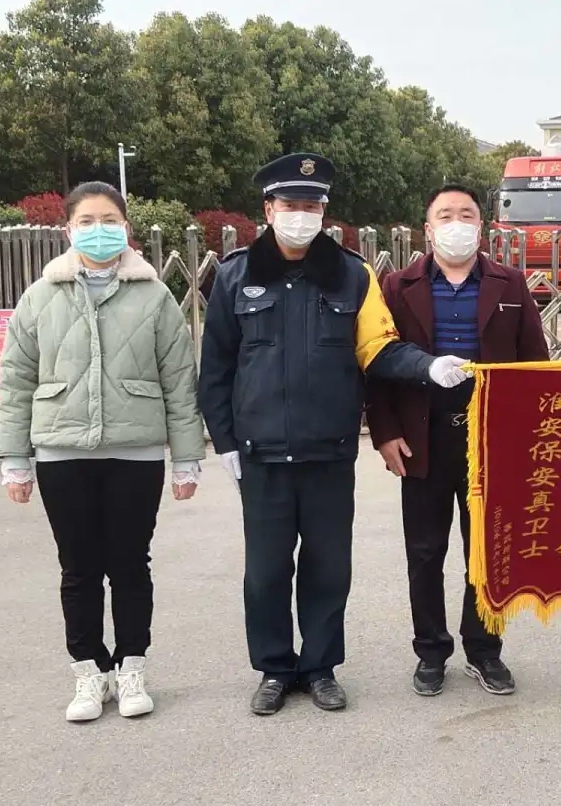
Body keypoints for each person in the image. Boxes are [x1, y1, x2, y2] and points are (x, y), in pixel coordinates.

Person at [198, 153, 470, 716]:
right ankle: (275, 669)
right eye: (290, 205)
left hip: (329, 450)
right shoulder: (235, 275)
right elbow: (217, 367)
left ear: (324, 212)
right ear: (268, 209)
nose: (301, 215)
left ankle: (321, 667)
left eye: (312, 206)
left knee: (328, 567)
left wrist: (427, 366)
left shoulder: (353, 274)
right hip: (262, 453)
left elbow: (378, 348)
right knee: (266, 572)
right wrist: (224, 441)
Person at [0, 181, 205, 722]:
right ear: (68, 229)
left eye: (109, 220)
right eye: (86, 221)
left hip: (135, 452)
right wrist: (14, 458)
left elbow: (179, 380)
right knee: (79, 567)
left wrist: (186, 457)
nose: (98, 230)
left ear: (126, 228)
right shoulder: (40, 296)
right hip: (62, 451)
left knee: (131, 564)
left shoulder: (154, 296)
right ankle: (89, 671)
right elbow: (16, 381)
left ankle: (132, 665)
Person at [366, 184, 550, 697]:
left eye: (466, 214)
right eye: (445, 215)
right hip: (421, 439)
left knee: (488, 551)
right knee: (425, 552)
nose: (456, 224)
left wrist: (529, 438)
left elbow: (535, 365)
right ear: (428, 229)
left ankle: (484, 650)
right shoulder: (397, 285)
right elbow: (378, 363)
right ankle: (430, 651)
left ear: (481, 226)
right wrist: (386, 433)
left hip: (491, 439)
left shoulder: (510, 283)